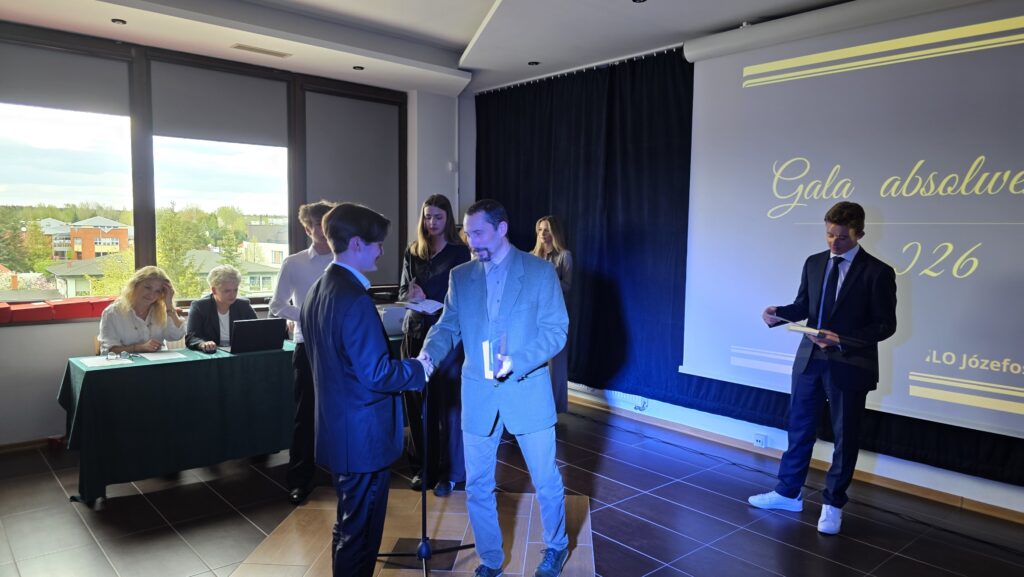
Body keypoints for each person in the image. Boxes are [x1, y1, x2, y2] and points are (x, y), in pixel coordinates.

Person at [419, 199, 570, 577]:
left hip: (527, 390)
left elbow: (556, 331)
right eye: (467, 234)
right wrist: (427, 357)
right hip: (478, 394)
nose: (471, 242)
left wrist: (518, 360)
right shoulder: (461, 276)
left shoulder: (539, 272)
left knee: (545, 480)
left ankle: (556, 546)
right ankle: (490, 558)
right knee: (478, 485)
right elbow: (447, 326)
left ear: (502, 229)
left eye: (479, 233)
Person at [748, 201, 897, 536]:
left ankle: (833, 504)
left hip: (850, 363)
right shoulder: (814, 262)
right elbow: (805, 306)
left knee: (845, 436)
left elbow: (886, 325)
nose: (834, 242)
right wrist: (778, 313)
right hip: (809, 361)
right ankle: (788, 493)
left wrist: (841, 339)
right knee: (799, 429)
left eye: (842, 237)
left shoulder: (878, 272)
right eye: (830, 234)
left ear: (859, 234)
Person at [300, 202, 429, 577]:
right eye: (377, 244)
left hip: (339, 430)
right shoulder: (354, 298)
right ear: (356, 243)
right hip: (362, 438)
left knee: (349, 527)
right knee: (361, 535)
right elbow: (377, 374)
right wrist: (420, 368)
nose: (381, 251)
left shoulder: (318, 289)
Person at [399, 194, 471, 497]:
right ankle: (422, 468)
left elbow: (464, 297)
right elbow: (403, 291)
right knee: (417, 404)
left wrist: (436, 302)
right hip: (415, 332)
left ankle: (449, 472)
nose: (432, 222)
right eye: (427, 217)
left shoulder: (459, 252)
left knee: (446, 406)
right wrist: (410, 296)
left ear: (448, 218)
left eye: (438, 217)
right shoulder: (413, 250)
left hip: (447, 338)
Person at [269, 200, 335, 504]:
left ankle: (342, 472)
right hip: (307, 345)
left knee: (339, 412)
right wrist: (309, 315)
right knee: (305, 415)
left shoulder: (344, 259)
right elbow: (277, 306)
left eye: (325, 223)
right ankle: (299, 480)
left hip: (340, 346)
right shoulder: (293, 263)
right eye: (315, 225)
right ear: (307, 229)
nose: (320, 229)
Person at [531, 215, 573, 413]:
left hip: (554, 316)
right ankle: (534, 406)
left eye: (546, 229)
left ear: (554, 233)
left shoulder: (564, 256)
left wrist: (549, 281)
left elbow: (568, 285)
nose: (542, 234)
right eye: (540, 229)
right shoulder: (531, 256)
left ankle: (553, 409)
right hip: (533, 316)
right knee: (535, 361)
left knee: (555, 365)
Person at [98, 265, 185, 354]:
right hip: (127, 362)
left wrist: (169, 304)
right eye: (148, 288)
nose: (151, 295)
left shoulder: (162, 311)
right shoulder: (112, 313)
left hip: (158, 361)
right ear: (135, 285)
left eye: (157, 291)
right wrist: (138, 348)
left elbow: (176, 336)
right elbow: (108, 351)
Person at [185, 264, 256, 351]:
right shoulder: (200, 307)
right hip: (212, 354)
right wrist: (203, 344)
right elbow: (191, 337)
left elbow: (257, 331)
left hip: (238, 352)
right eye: (227, 291)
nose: (233, 295)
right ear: (214, 290)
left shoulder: (244, 306)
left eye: (235, 290)